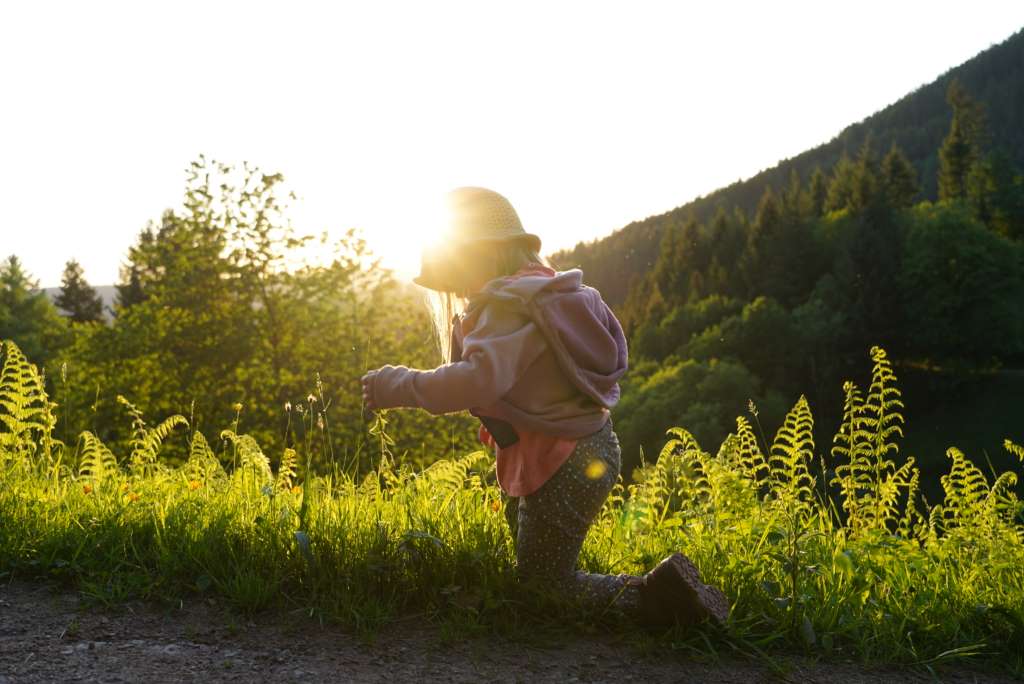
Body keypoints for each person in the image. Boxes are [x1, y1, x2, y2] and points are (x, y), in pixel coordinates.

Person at [360, 186, 729, 628]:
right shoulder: (544, 295)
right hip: (581, 447)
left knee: (543, 586)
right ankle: (670, 593)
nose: (457, 291)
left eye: (455, 275)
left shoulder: (507, 307)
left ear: (479, 254)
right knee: (534, 561)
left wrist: (395, 385)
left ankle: (662, 599)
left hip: (563, 460)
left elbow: (476, 381)